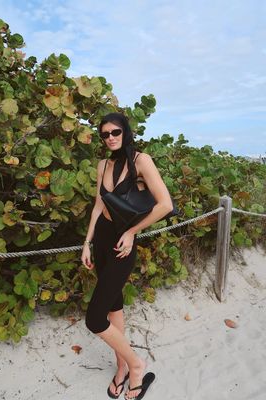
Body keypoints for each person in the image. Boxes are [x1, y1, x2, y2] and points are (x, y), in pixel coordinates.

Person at [81, 112, 173, 400]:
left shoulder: (141, 161)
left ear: (126, 132)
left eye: (115, 132)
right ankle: (121, 369)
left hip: (123, 243)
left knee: (95, 319)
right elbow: (98, 205)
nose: (110, 138)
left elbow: (165, 205)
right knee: (113, 307)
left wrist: (132, 231)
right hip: (102, 240)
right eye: (105, 134)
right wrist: (87, 242)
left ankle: (135, 365)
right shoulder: (103, 164)